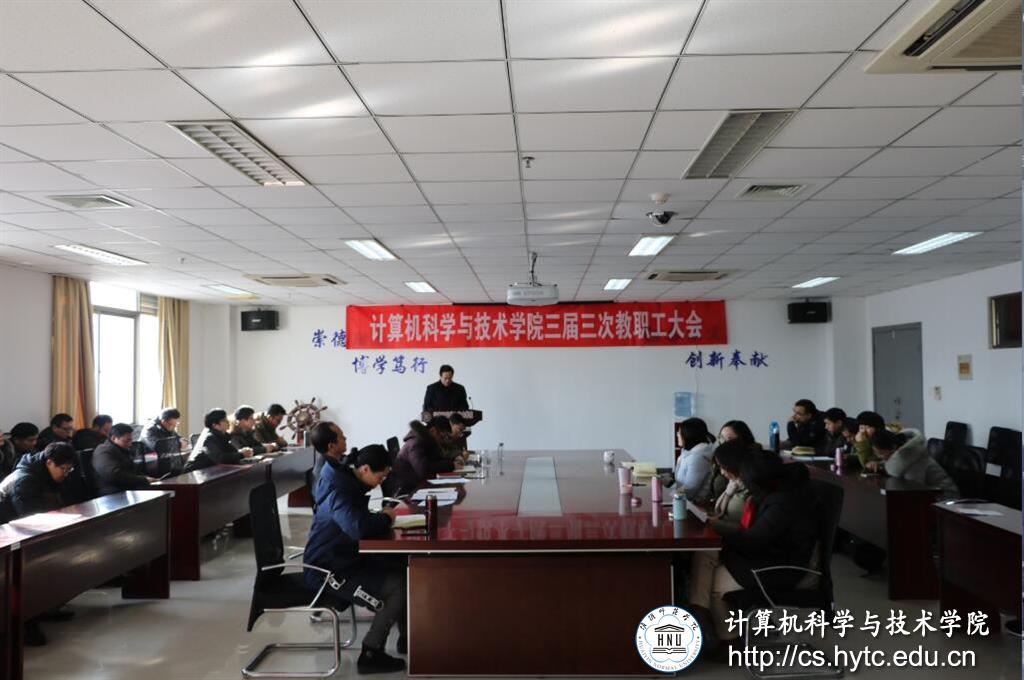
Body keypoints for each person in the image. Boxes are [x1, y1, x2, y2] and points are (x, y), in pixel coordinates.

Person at [689, 451, 818, 655]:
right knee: (706, 553)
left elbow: (754, 540)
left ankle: (729, 642)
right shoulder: (776, 493)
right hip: (767, 555)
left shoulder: (782, 503)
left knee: (716, 585)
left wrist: (722, 539)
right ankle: (699, 610)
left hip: (781, 567)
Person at [303, 422, 407, 674]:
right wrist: (384, 519)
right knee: (396, 588)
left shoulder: (348, 481)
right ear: (365, 469)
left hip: (345, 558)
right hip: (327, 570)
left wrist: (379, 518)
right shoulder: (338, 489)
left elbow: (356, 521)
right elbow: (356, 527)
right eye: (380, 478)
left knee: (401, 568)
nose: (380, 483)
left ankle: (407, 636)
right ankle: (371, 653)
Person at [867, 428, 959, 501]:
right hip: (929, 495)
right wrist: (880, 465)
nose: (879, 456)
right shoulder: (903, 455)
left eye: (881, 453)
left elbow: (914, 490)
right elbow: (895, 463)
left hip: (945, 498)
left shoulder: (913, 459)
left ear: (893, 447)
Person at [0, 442, 77, 522]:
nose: (66, 473)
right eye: (63, 468)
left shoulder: (48, 472)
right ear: (49, 463)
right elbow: (30, 518)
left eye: (69, 469)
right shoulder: (25, 481)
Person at [386, 417, 460, 497]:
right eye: (442, 437)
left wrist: (452, 461)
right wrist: (451, 465)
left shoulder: (427, 442)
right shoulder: (415, 443)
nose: (443, 440)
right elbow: (423, 470)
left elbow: (435, 461)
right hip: (405, 490)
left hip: (416, 486)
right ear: (433, 431)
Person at [93, 423, 156, 496]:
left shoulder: (122, 449)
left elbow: (132, 471)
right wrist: (143, 479)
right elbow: (114, 475)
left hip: (126, 487)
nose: (130, 444)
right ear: (114, 438)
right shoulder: (103, 451)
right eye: (127, 440)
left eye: (131, 440)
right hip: (112, 491)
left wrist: (146, 478)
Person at [708, 440, 754, 535]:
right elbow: (719, 512)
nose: (721, 472)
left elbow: (744, 529)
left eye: (723, 467)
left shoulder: (749, 489)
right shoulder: (733, 483)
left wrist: (710, 523)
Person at [184, 409, 253, 471]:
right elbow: (219, 458)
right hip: (195, 472)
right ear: (215, 425)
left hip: (209, 470)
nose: (228, 422)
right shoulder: (208, 438)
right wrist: (241, 454)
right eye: (224, 420)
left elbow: (230, 452)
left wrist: (241, 452)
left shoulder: (222, 435)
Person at [672, 417, 716, 503]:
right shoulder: (688, 453)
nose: (677, 435)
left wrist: (669, 492)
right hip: (684, 502)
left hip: (694, 506)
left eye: (679, 433)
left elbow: (689, 491)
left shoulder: (697, 458)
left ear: (688, 435)